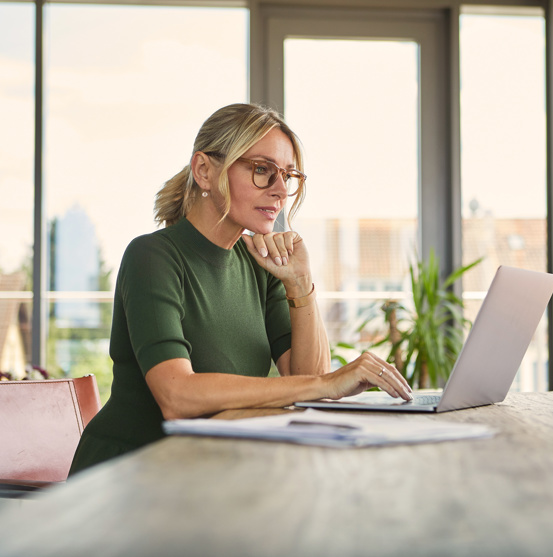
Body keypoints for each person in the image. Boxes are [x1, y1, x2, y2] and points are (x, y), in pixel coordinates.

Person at [68, 103, 412, 474]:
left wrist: (300, 285)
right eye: (263, 170)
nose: (281, 190)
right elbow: (177, 396)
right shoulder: (153, 256)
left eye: (288, 175)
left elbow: (305, 380)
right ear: (204, 170)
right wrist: (327, 383)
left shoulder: (258, 263)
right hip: (132, 473)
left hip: (215, 469)